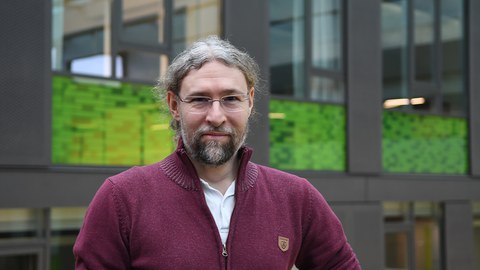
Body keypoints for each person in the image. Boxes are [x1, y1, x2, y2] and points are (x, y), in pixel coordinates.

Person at [73, 36, 361, 269]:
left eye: (230, 99)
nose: (216, 115)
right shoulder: (122, 199)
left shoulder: (295, 196)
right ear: (175, 105)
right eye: (199, 99)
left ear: (249, 102)